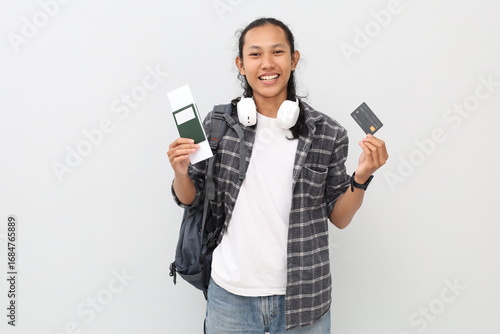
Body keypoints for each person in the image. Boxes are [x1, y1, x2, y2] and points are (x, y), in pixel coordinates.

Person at [167, 17, 388, 334]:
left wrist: (362, 176)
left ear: (294, 59)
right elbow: (192, 200)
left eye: (277, 52)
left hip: (304, 297)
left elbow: (339, 217)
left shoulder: (328, 133)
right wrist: (180, 173)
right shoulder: (218, 123)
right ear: (240, 65)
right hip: (230, 296)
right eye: (255, 54)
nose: (267, 64)